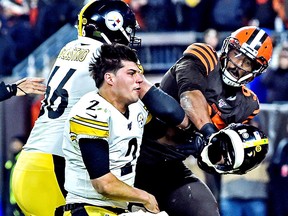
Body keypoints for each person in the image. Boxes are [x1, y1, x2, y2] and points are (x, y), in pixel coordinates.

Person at [11, 1, 143, 215]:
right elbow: (145, 102)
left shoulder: (69, 48)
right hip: (53, 170)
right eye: (127, 31)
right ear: (114, 26)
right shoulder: (111, 60)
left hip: (30, 164)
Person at [134, 26, 273, 216]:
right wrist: (209, 134)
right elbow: (189, 97)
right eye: (237, 55)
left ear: (256, 69)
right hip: (131, 150)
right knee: (177, 116)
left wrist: (219, 155)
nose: (238, 65)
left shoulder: (248, 104)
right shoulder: (204, 55)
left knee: (206, 211)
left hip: (168, 166)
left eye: (248, 62)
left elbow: (213, 157)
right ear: (227, 49)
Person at [62, 43, 189, 215]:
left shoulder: (137, 108)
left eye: (139, 73)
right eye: (131, 73)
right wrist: (145, 197)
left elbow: (162, 137)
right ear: (110, 79)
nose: (139, 79)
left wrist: (193, 142)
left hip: (118, 209)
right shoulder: (91, 111)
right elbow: (103, 184)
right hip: (88, 208)